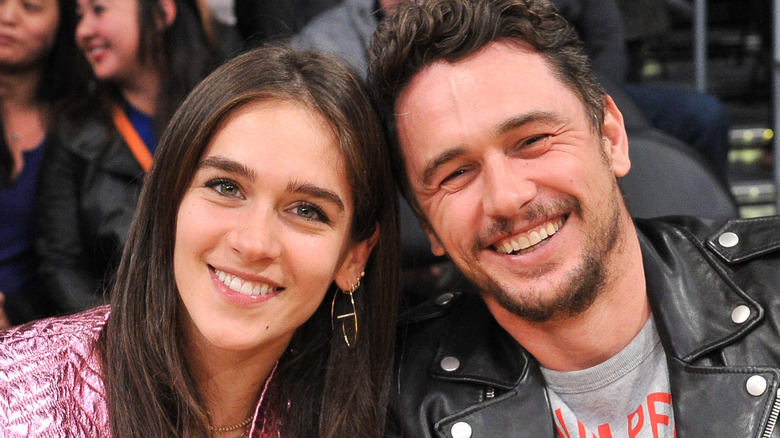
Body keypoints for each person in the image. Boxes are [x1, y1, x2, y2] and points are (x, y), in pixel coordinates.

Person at [367, 0, 780, 436]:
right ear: (426, 222)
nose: (506, 197)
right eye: (456, 173)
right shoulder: (388, 403)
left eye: (532, 140)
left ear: (611, 138)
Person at [0, 45, 400, 437]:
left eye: (307, 210)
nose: (253, 242)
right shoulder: (14, 393)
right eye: (226, 187)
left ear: (354, 257)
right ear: (169, 199)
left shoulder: (377, 418)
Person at [295, 0, 731, 184]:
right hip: (415, 161)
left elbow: (598, 39)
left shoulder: (495, 13)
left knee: (696, 115)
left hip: (566, 96)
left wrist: (582, 104)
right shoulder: (327, 44)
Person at [35, 0, 220, 315]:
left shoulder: (230, 112)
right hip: (119, 330)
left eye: (99, 10)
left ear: (162, 12)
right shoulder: (76, 128)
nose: (82, 31)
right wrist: (117, 330)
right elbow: (60, 262)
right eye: (79, 16)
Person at [0, 0, 89, 325]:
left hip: (41, 328)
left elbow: (70, 260)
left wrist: (15, 314)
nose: (8, 17)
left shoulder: (84, 126)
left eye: (30, 7)